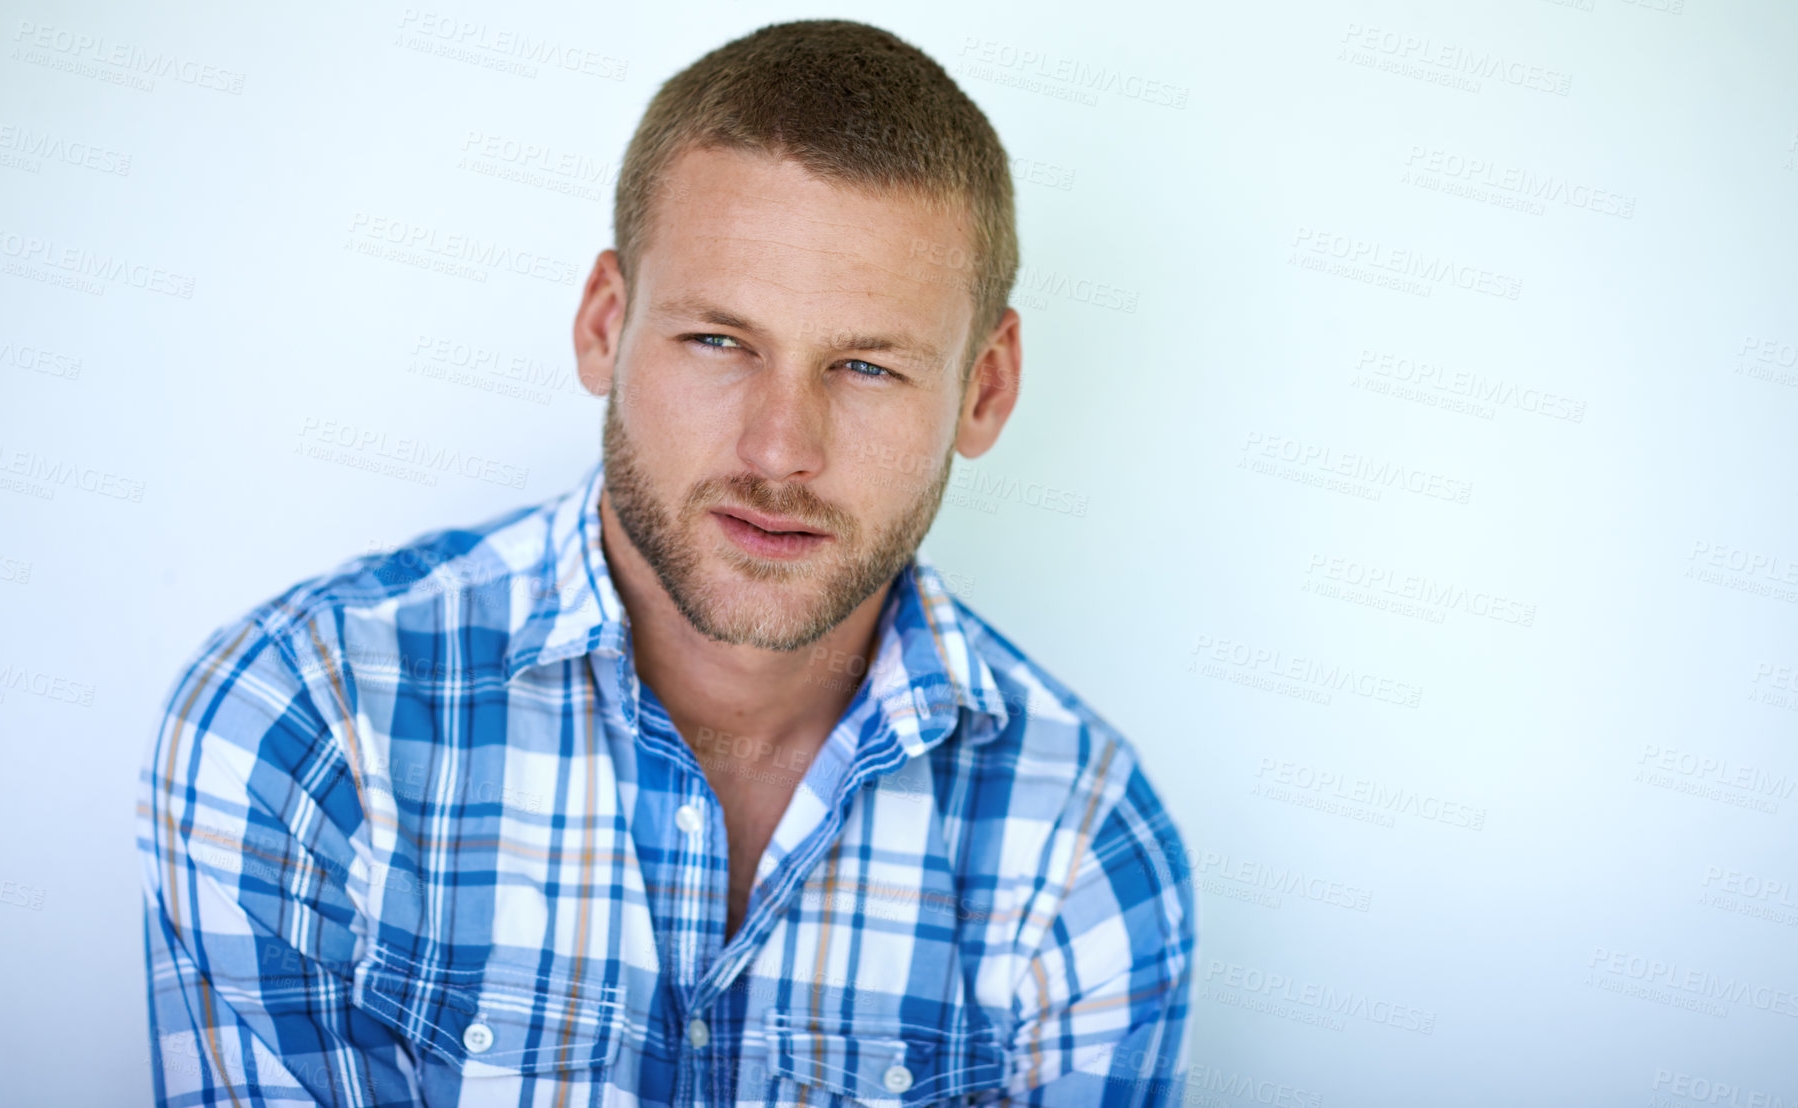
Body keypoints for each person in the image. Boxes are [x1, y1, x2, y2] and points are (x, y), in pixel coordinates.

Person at [137, 18, 1195, 1107]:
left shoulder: (1082, 849)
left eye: (867, 366)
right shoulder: (308, 721)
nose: (779, 449)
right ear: (604, 324)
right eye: (717, 342)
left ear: (984, 389)